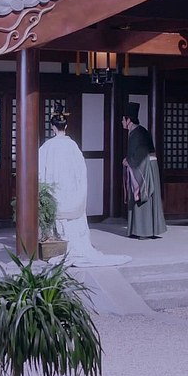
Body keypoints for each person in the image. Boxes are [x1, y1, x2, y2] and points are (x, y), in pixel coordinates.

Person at [39, 102, 131, 267]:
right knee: (73, 222)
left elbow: (39, 172)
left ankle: (55, 247)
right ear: (66, 126)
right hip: (71, 191)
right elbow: (81, 172)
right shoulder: (73, 147)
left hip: (55, 191)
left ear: (52, 127)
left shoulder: (47, 147)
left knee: (58, 215)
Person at [122, 102, 167, 239]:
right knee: (140, 199)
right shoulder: (137, 132)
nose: (122, 122)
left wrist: (129, 161)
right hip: (145, 165)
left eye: (123, 119)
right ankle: (138, 230)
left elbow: (141, 154)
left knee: (144, 197)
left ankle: (145, 231)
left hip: (145, 167)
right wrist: (129, 160)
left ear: (129, 120)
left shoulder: (138, 133)